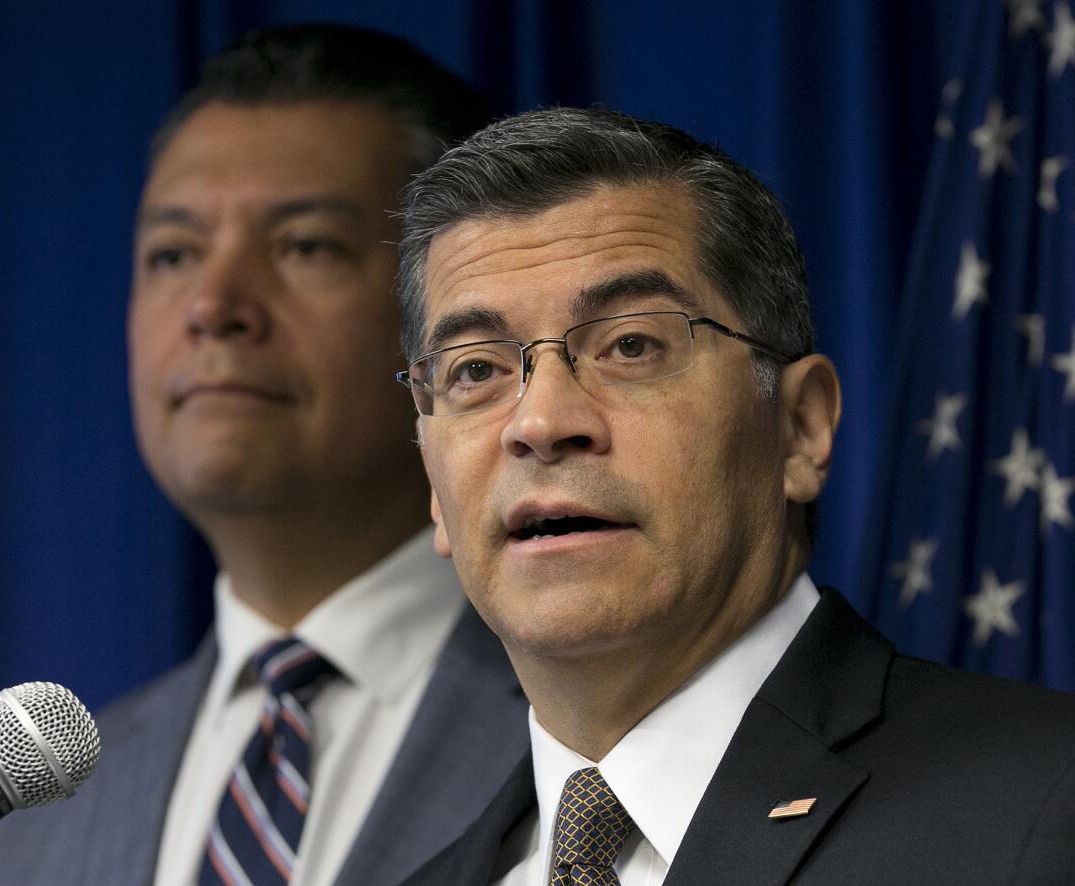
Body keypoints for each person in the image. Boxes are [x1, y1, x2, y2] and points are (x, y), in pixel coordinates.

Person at [395, 107, 1075, 884]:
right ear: (434, 487)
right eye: (474, 371)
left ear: (800, 428)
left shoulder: (1047, 812)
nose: (542, 422)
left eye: (631, 346)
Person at [0, 25, 530, 886]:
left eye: (305, 246)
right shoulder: (11, 834)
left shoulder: (610, 726)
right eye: (173, 254)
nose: (214, 306)